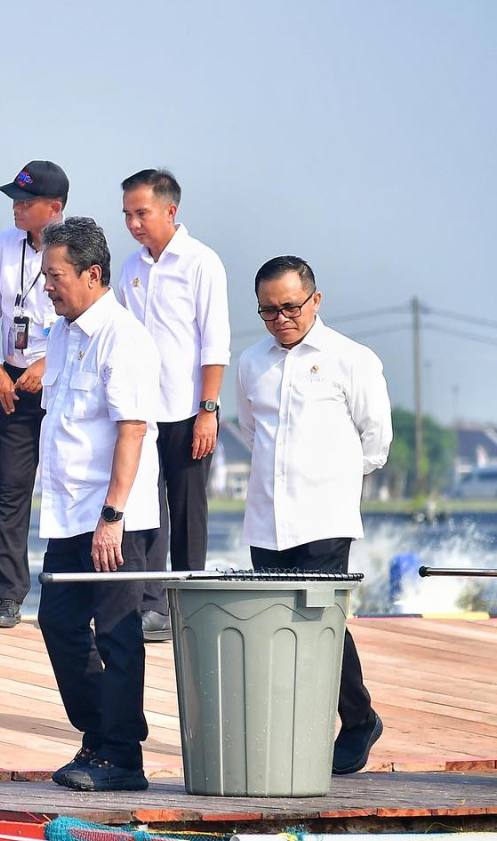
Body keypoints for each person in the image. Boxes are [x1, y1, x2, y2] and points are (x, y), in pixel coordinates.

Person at [238, 255, 392, 775]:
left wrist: (335, 480)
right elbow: (250, 432)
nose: (280, 319)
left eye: (289, 307)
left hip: (325, 516)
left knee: (322, 623)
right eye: (267, 311)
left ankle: (358, 719)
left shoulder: (353, 359)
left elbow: (377, 439)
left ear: (315, 300)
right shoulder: (251, 363)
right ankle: (292, 733)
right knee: (274, 628)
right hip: (266, 517)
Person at [35, 217, 161, 793]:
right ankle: (101, 733)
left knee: (116, 631)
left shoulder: (123, 337)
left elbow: (131, 432)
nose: (48, 287)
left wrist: (112, 516)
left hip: (114, 517)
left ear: (92, 273)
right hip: (68, 513)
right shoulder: (63, 332)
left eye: (56, 276)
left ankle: (123, 757)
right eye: (44, 276)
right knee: (58, 623)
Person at [115, 169, 230, 639]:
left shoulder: (202, 262)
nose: (135, 223)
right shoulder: (130, 267)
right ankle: (151, 605)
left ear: (170, 210)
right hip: (142, 409)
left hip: (186, 407)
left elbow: (214, 341)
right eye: (127, 214)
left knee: (187, 509)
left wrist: (209, 409)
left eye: (142, 213)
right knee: (144, 507)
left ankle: (191, 602)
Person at [0, 160, 68, 628]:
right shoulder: (3, 245)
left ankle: (66, 591)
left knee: (65, 488)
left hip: (61, 385)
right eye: (14, 198)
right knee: (10, 492)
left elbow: (85, 319)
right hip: (12, 387)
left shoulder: (75, 247)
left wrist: (48, 362)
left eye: (25, 201)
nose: (16, 207)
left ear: (54, 208)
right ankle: (7, 597)